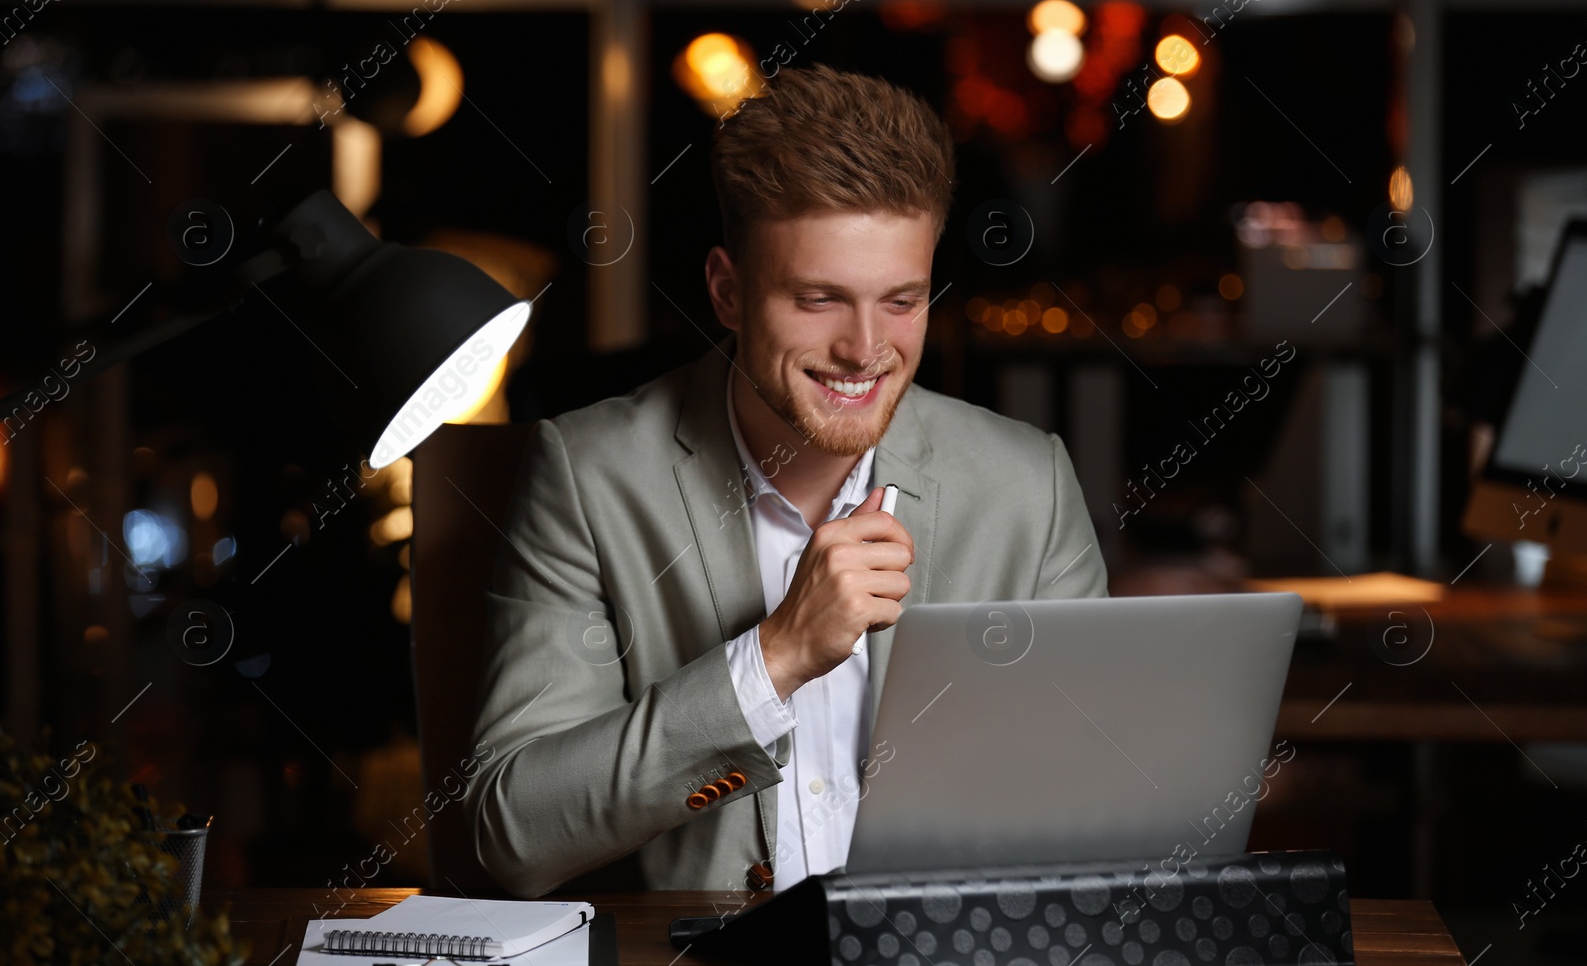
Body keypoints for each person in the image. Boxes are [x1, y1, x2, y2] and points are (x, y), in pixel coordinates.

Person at [465, 63, 1107, 896]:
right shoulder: (588, 476)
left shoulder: (1031, 484)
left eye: (902, 300)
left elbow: (1099, 809)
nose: (865, 348)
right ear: (729, 292)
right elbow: (511, 834)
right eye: (818, 299)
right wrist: (772, 659)